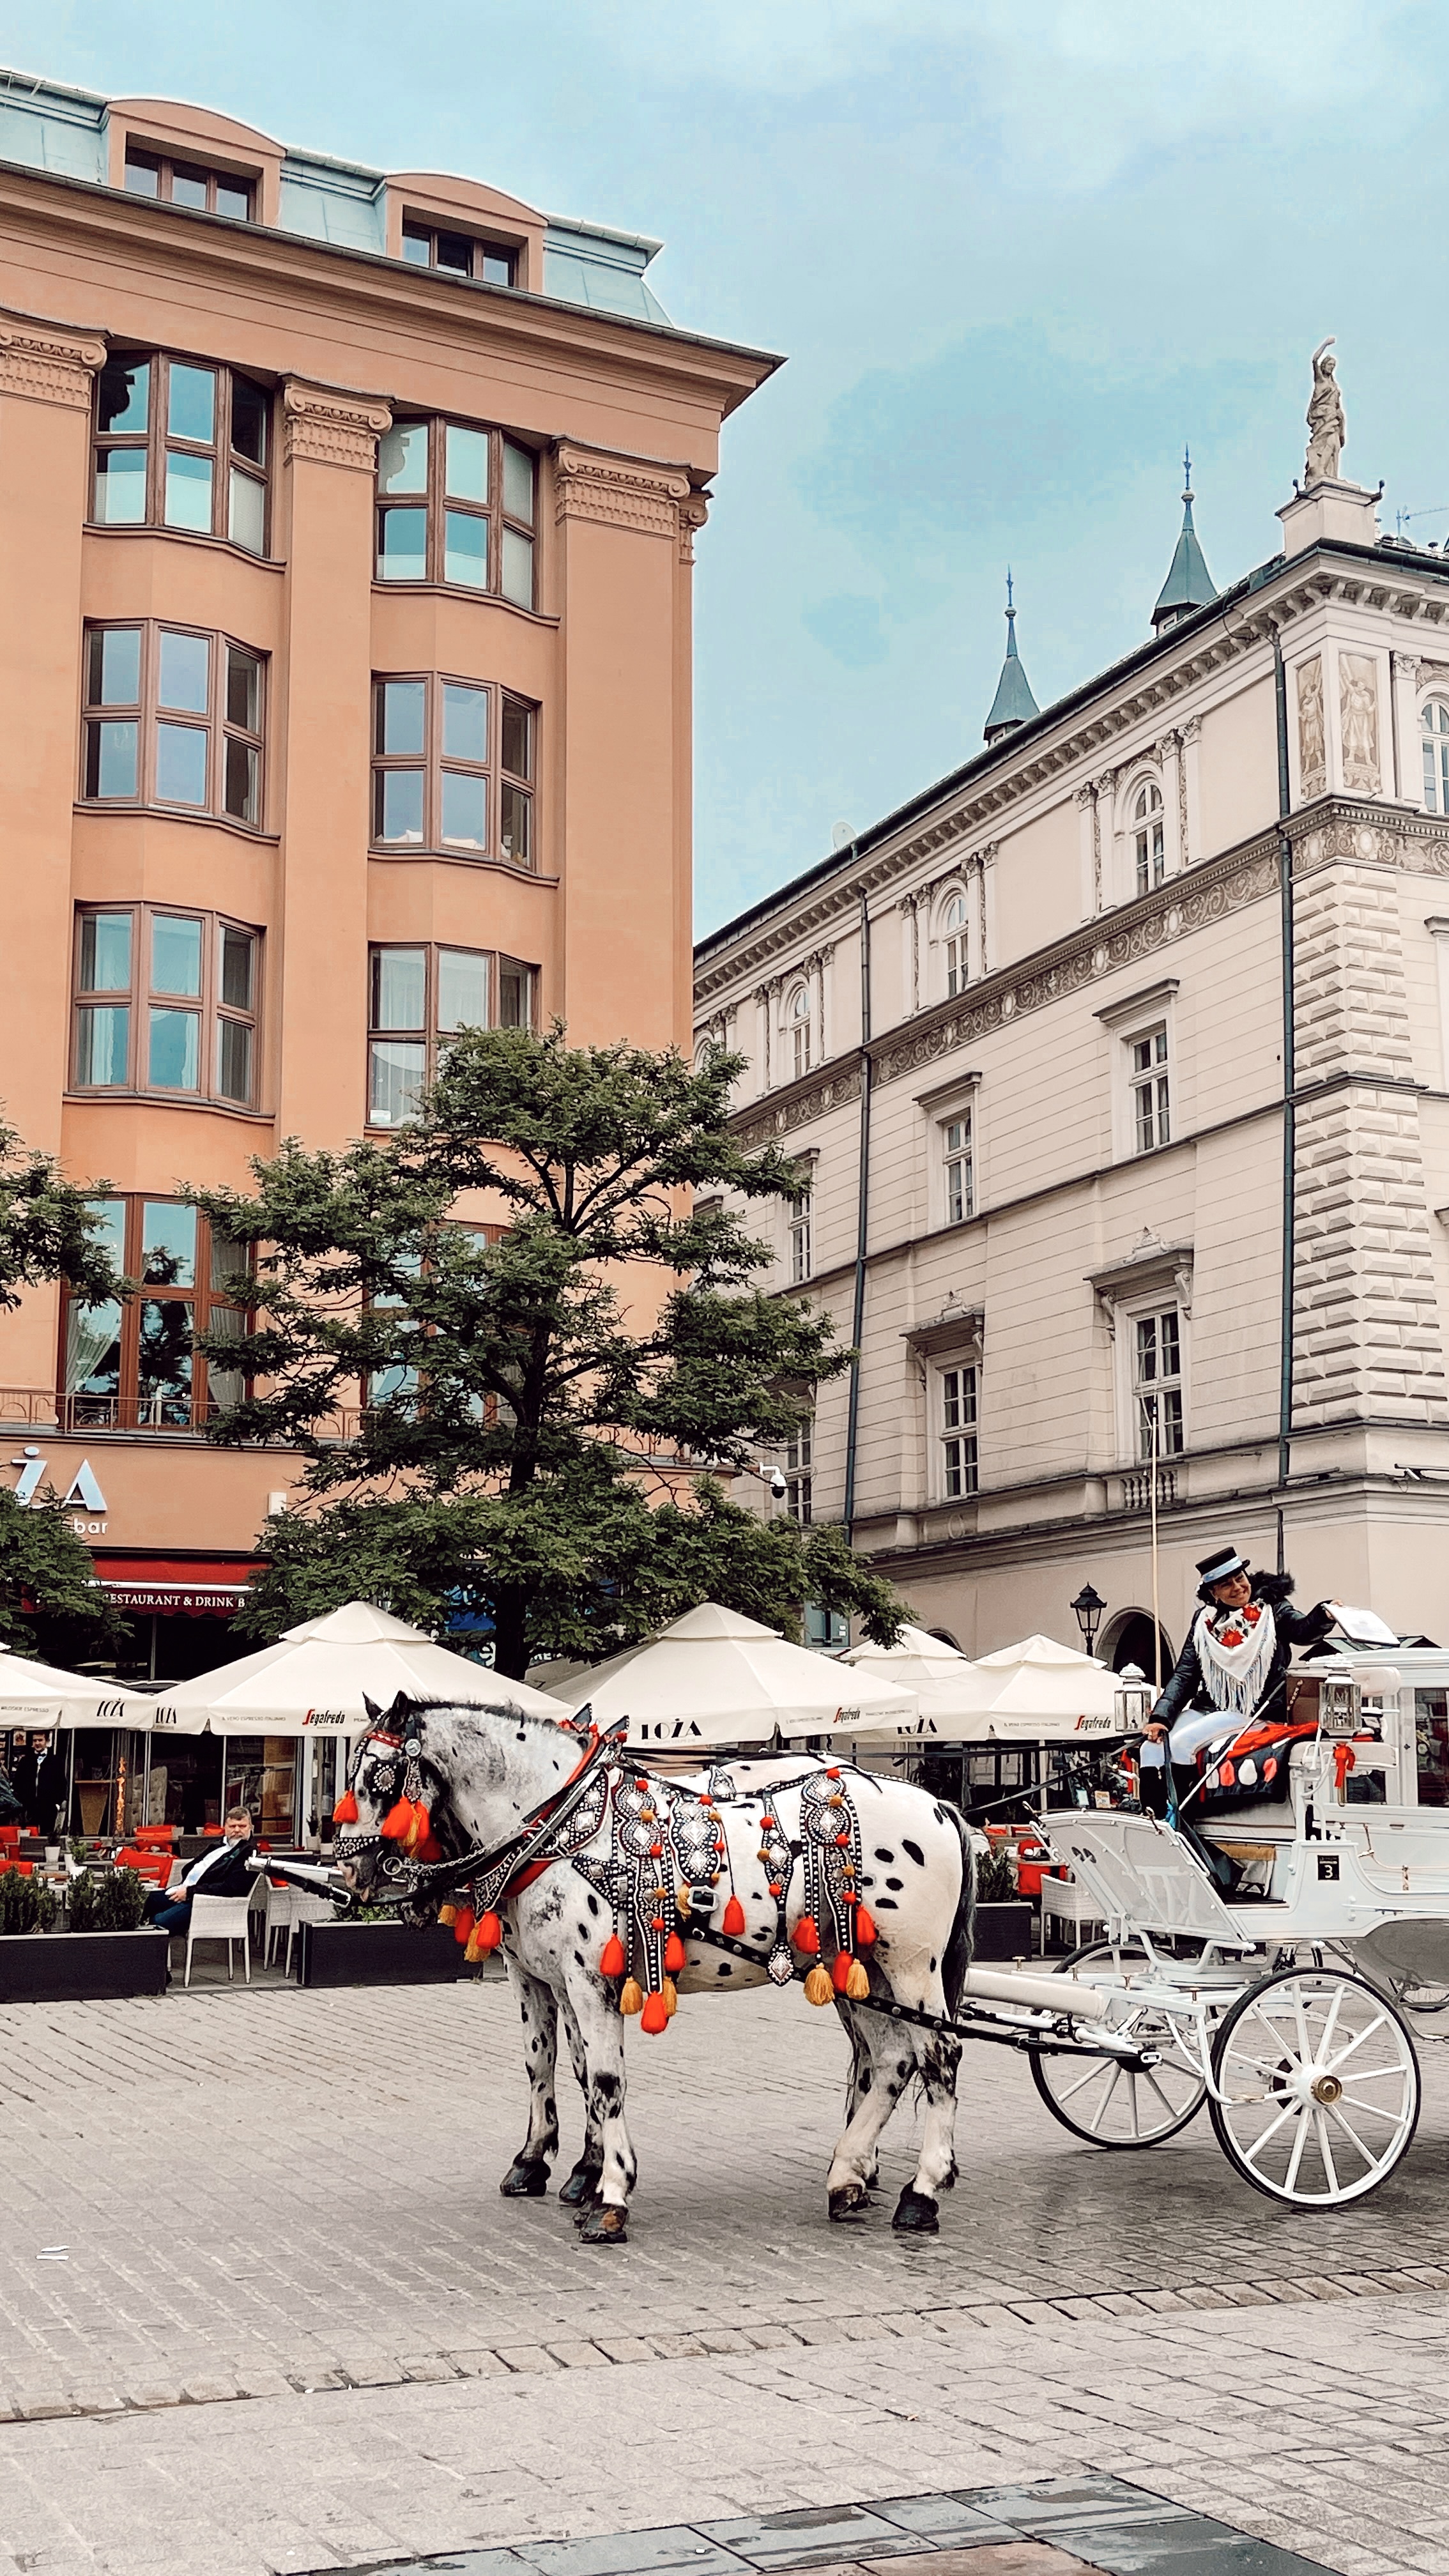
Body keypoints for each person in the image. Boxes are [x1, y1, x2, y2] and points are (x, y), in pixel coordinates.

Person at [1144, 1543, 1338, 1886]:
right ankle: (1157, 1823)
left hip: (1254, 1709)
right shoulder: (1203, 1622)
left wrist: (1323, 1615)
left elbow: (1303, 1630)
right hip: (1210, 1706)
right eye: (1227, 1585)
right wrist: (1161, 1717)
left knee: (1184, 1744)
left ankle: (1178, 1823)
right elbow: (1186, 1673)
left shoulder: (1272, 1608)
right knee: (1150, 1748)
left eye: (1240, 1578)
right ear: (1213, 1593)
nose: (1238, 1587)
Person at [139, 1806, 258, 1933]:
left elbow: (231, 1888)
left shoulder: (249, 1854)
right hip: (187, 1892)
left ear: (251, 1827)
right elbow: (193, 1867)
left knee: (159, 1922)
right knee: (144, 1902)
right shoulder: (218, 1846)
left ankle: (151, 1946)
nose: (237, 1830)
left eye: (242, 1826)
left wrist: (190, 1892)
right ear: (225, 1828)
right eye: (232, 1826)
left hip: (208, 1904)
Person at [12, 1733, 65, 1835]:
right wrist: (22, 1800)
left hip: (48, 1805)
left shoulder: (56, 1761)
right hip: (29, 1806)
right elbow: (18, 1783)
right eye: (35, 1741)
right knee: (30, 1835)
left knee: (47, 1835)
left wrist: (59, 1800)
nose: (37, 1743)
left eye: (40, 1740)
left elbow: (61, 1782)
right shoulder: (26, 1761)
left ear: (46, 1741)